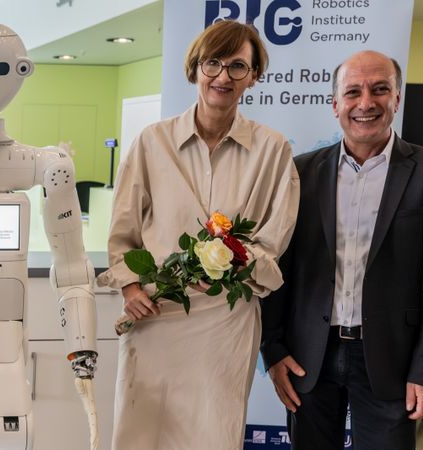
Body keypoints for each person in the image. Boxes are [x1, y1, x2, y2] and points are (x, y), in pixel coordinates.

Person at [97, 20, 299, 449]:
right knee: (141, 434)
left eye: (238, 66)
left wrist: (234, 265)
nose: (223, 76)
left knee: (213, 434)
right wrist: (130, 288)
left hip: (225, 325)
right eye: (213, 63)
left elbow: (271, 244)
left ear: (254, 76)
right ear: (195, 69)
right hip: (155, 317)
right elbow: (122, 234)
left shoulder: (274, 151)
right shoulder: (152, 142)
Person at [260, 50, 423, 450]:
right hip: (309, 358)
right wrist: (273, 350)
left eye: (380, 89)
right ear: (335, 104)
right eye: (353, 92)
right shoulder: (299, 172)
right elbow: (277, 266)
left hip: (392, 361)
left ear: (397, 98)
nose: (366, 102)